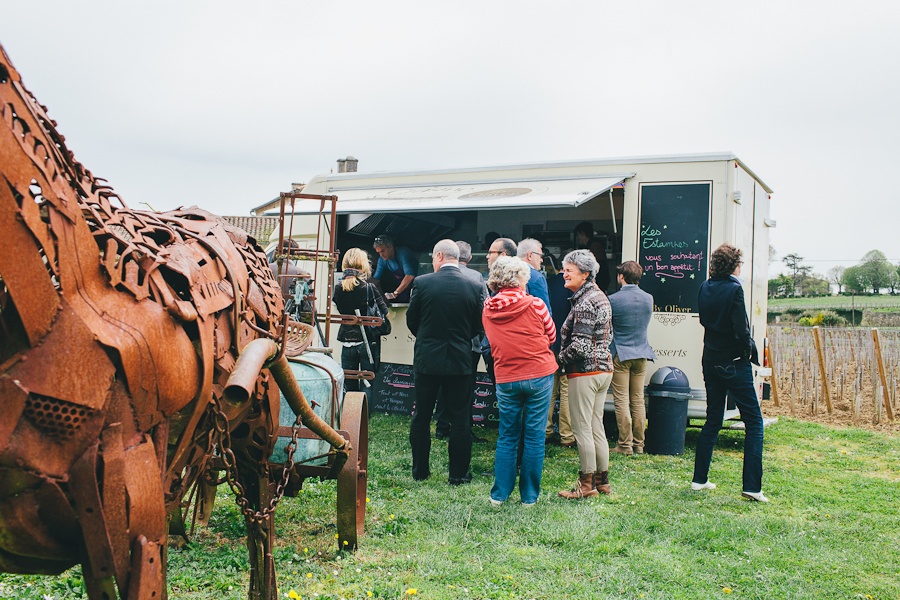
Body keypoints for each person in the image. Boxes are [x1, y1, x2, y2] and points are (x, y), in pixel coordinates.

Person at [691, 244, 767, 502]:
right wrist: (747, 355)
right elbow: (741, 330)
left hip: (710, 359)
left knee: (713, 420)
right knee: (754, 423)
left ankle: (699, 479)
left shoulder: (704, 287)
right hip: (734, 361)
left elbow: (704, 321)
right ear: (735, 265)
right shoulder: (735, 289)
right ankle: (752, 487)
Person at [407, 239, 485, 485]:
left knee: (422, 415)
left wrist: (428, 337)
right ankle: (458, 474)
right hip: (461, 359)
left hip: (427, 359)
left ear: (439, 256)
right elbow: (478, 324)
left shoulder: (422, 283)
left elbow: (412, 320)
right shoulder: (474, 285)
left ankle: (420, 470)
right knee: (460, 418)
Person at [482, 257, 557, 506]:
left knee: (508, 435)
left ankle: (499, 495)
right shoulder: (535, 305)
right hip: (538, 373)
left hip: (506, 377)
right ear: (520, 279)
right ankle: (529, 497)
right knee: (534, 437)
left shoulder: (488, 308)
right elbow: (552, 334)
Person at [556, 249, 614, 499]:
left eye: (569, 270)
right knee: (595, 426)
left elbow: (579, 345)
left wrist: (558, 360)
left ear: (585, 273)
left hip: (584, 373)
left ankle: (586, 484)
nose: (564, 274)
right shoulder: (600, 297)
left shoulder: (585, 302)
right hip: (603, 369)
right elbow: (607, 336)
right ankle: (603, 481)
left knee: (581, 428)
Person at [434, 241, 489, 441]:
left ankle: (441, 426)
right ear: (470, 258)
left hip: (440, 342)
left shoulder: (436, 275)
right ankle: (463, 428)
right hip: (469, 343)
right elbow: (484, 310)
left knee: (441, 384)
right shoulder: (476, 278)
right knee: (465, 388)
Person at [608, 261, 656, 456]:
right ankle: (639, 444)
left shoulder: (613, 299)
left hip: (621, 353)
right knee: (637, 400)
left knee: (621, 400)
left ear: (621, 277)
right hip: (642, 352)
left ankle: (625, 445)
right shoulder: (648, 298)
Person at [332, 248, 389, 392]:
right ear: (363, 264)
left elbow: (341, 309)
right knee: (367, 382)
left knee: (349, 382)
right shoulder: (370, 287)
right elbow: (385, 314)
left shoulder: (338, 288)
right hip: (367, 342)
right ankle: (364, 413)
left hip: (347, 342)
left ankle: (349, 413)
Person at [545, 268, 575, 448]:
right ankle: (566, 435)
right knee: (565, 390)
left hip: (549, 343)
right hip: (566, 345)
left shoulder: (548, 283)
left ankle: (546, 431)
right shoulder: (573, 287)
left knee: (550, 389)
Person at [372, 235, 418, 302]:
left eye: (383, 251)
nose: (381, 255)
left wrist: (395, 293)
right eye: (379, 252)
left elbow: (410, 276)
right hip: (402, 288)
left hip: (417, 286)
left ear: (391, 247)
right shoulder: (381, 260)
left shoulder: (403, 253)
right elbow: (375, 279)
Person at [573, 221, 611, 292]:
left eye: (578, 235)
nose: (578, 238)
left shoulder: (594, 246)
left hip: (599, 283)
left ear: (582, 233)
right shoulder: (592, 245)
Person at [516, 238, 551, 309]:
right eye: (540, 256)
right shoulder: (536, 277)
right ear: (530, 256)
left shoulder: (506, 273)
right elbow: (543, 310)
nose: (541, 260)